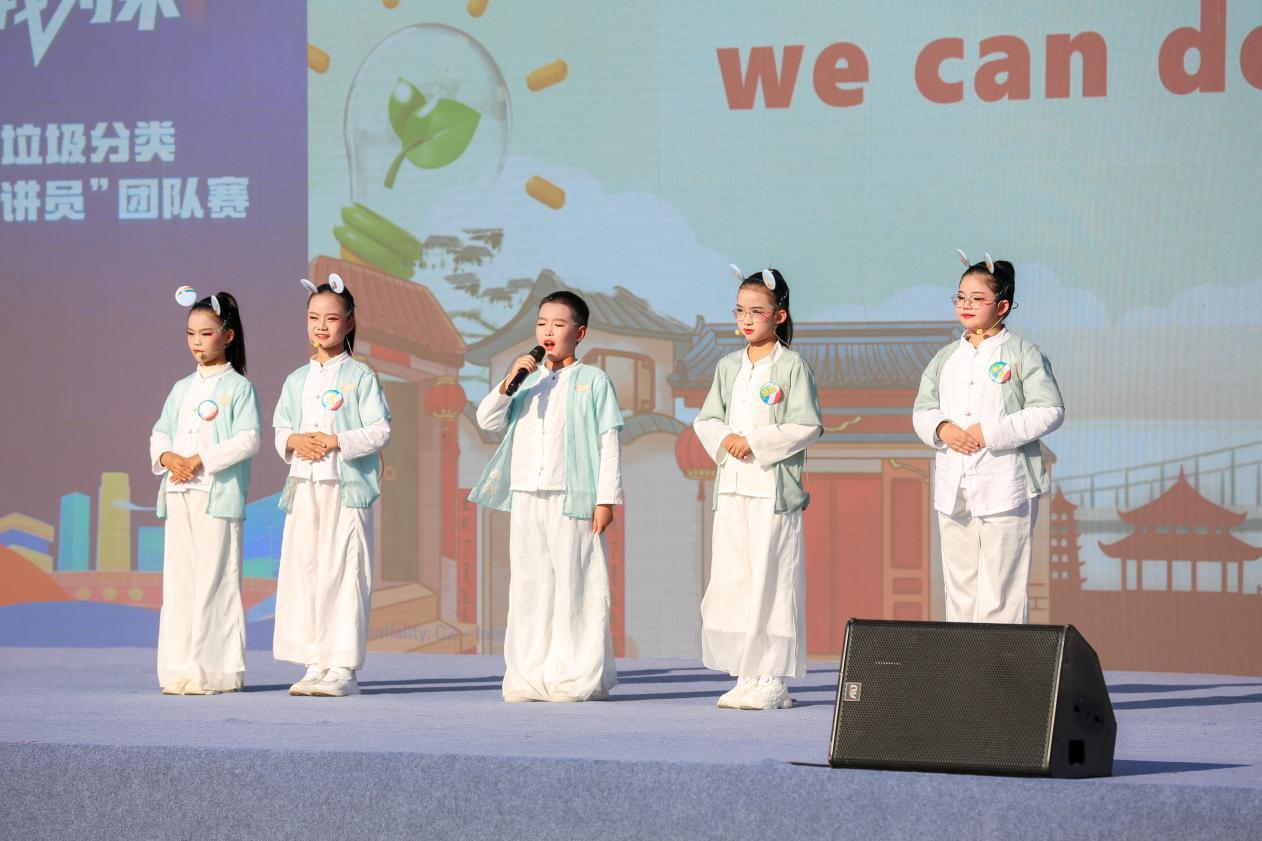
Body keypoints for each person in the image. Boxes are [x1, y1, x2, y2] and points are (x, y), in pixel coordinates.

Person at [469, 291, 624, 702]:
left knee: (576, 584)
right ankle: (528, 675)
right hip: (526, 493)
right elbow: (487, 420)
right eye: (541, 323)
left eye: (558, 323)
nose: (548, 331)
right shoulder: (527, 380)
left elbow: (608, 441)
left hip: (572, 497)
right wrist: (509, 381)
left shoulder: (593, 381)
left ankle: (574, 677)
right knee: (529, 586)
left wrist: (606, 499)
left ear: (580, 332)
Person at [693, 265, 822, 710]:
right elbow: (707, 419)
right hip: (733, 488)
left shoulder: (791, 365)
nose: (746, 320)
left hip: (773, 491)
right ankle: (746, 673)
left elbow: (807, 424)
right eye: (740, 311)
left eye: (757, 311)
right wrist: (726, 439)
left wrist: (756, 442)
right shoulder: (729, 366)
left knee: (773, 580)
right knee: (735, 580)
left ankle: (772, 678)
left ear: (779, 316)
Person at [912, 251, 1064, 624]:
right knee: (960, 586)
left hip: (1006, 482)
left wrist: (991, 432)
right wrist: (941, 428)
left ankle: (1001, 662)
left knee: (1001, 589)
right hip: (955, 485)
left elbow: (1050, 410)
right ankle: (963, 659)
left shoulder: (1023, 353)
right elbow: (922, 410)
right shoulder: (946, 357)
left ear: (1003, 306)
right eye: (961, 297)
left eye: (978, 298)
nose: (966, 305)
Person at [272, 274, 391, 697]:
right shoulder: (295, 380)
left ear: (350, 323)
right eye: (313, 317)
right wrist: (293, 441)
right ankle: (315, 662)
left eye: (331, 318)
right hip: (305, 485)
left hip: (345, 486)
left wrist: (337, 440)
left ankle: (342, 667)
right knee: (306, 571)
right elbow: (280, 428)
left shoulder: (361, 376)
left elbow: (380, 430)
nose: (321, 326)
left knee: (345, 571)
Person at [150, 287, 260, 695]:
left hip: (217, 496)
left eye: (206, 333)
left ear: (227, 336)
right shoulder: (181, 387)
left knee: (216, 581)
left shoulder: (239, 387)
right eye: (191, 333)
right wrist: (167, 458)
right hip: (179, 494)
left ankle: (214, 671)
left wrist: (199, 459)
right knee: (180, 584)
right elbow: (160, 432)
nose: (197, 342)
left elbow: (249, 439)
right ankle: (178, 669)